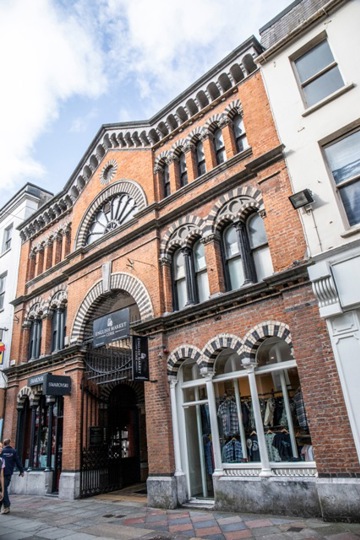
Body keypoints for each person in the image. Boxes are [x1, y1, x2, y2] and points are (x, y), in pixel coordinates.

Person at [0, 438, 24, 514]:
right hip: (8, 473)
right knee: (4, 489)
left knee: (3, 489)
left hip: (2, 472)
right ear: (10, 443)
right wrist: (21, 470)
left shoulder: (2, 451)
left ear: (4, 444)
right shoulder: (13, 451)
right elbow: (18, 461)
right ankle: (6, 506)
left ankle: (6, 506)